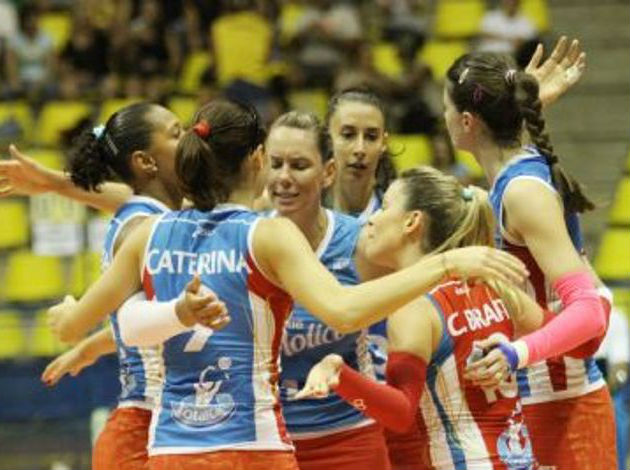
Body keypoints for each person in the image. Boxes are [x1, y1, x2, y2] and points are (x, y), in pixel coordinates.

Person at [49, 98, 526, 470]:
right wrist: (445, 264)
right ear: (258, 159)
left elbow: (83, 325)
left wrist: (72, 314)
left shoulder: (148, 235)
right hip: (254, 444)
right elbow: (343, 310)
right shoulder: (267, 235)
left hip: (172, 448)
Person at [298, 166, 553, 469]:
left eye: (384, 207)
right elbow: (575, 338)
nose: (371, 219)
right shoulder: (492, 285)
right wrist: (521, 352)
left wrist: (341, 376)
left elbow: (401, 414)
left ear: (412, 222)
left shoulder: (413, 307)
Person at [444, 50, 616, 468]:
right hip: (536, 401)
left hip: (563, 406)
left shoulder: (522, 192)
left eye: (445, 108)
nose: (443, 118)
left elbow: (591, 313)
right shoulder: (515, 175)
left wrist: (514, 353)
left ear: (466, 121)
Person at [41, 102, 198, 470]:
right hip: (145, 428)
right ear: (145, 162)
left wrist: (90, 344)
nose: (190, 139)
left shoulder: (158, 218)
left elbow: (153, 318)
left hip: (166, 422)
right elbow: (162, 321)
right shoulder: (142, 228)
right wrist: (76, 318)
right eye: (177, 133)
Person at [265, 110, 391, 469]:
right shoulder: (247, 238)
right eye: (275, 164)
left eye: (299, 165)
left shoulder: (359, 241)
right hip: (270, 440)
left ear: (328, 172)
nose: (284, 177)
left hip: (351, 438)